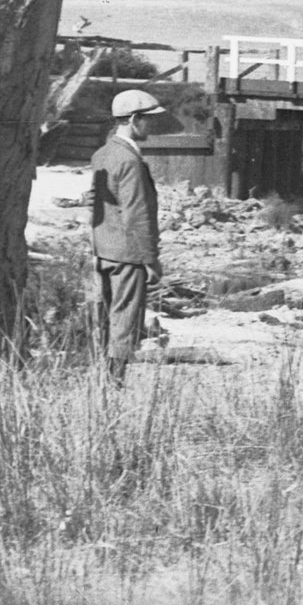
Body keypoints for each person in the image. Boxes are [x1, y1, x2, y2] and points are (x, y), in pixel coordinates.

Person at [89, 89, 165, 384]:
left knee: (108, 314)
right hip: (128, 252)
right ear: (134, 120)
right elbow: (137, 214)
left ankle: (104, 375)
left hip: (104, 247)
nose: (153, 126)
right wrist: (150, 259)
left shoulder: (103, 153)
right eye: (149, 120)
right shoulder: (130, 160)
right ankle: (114, 380)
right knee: (125, 318)